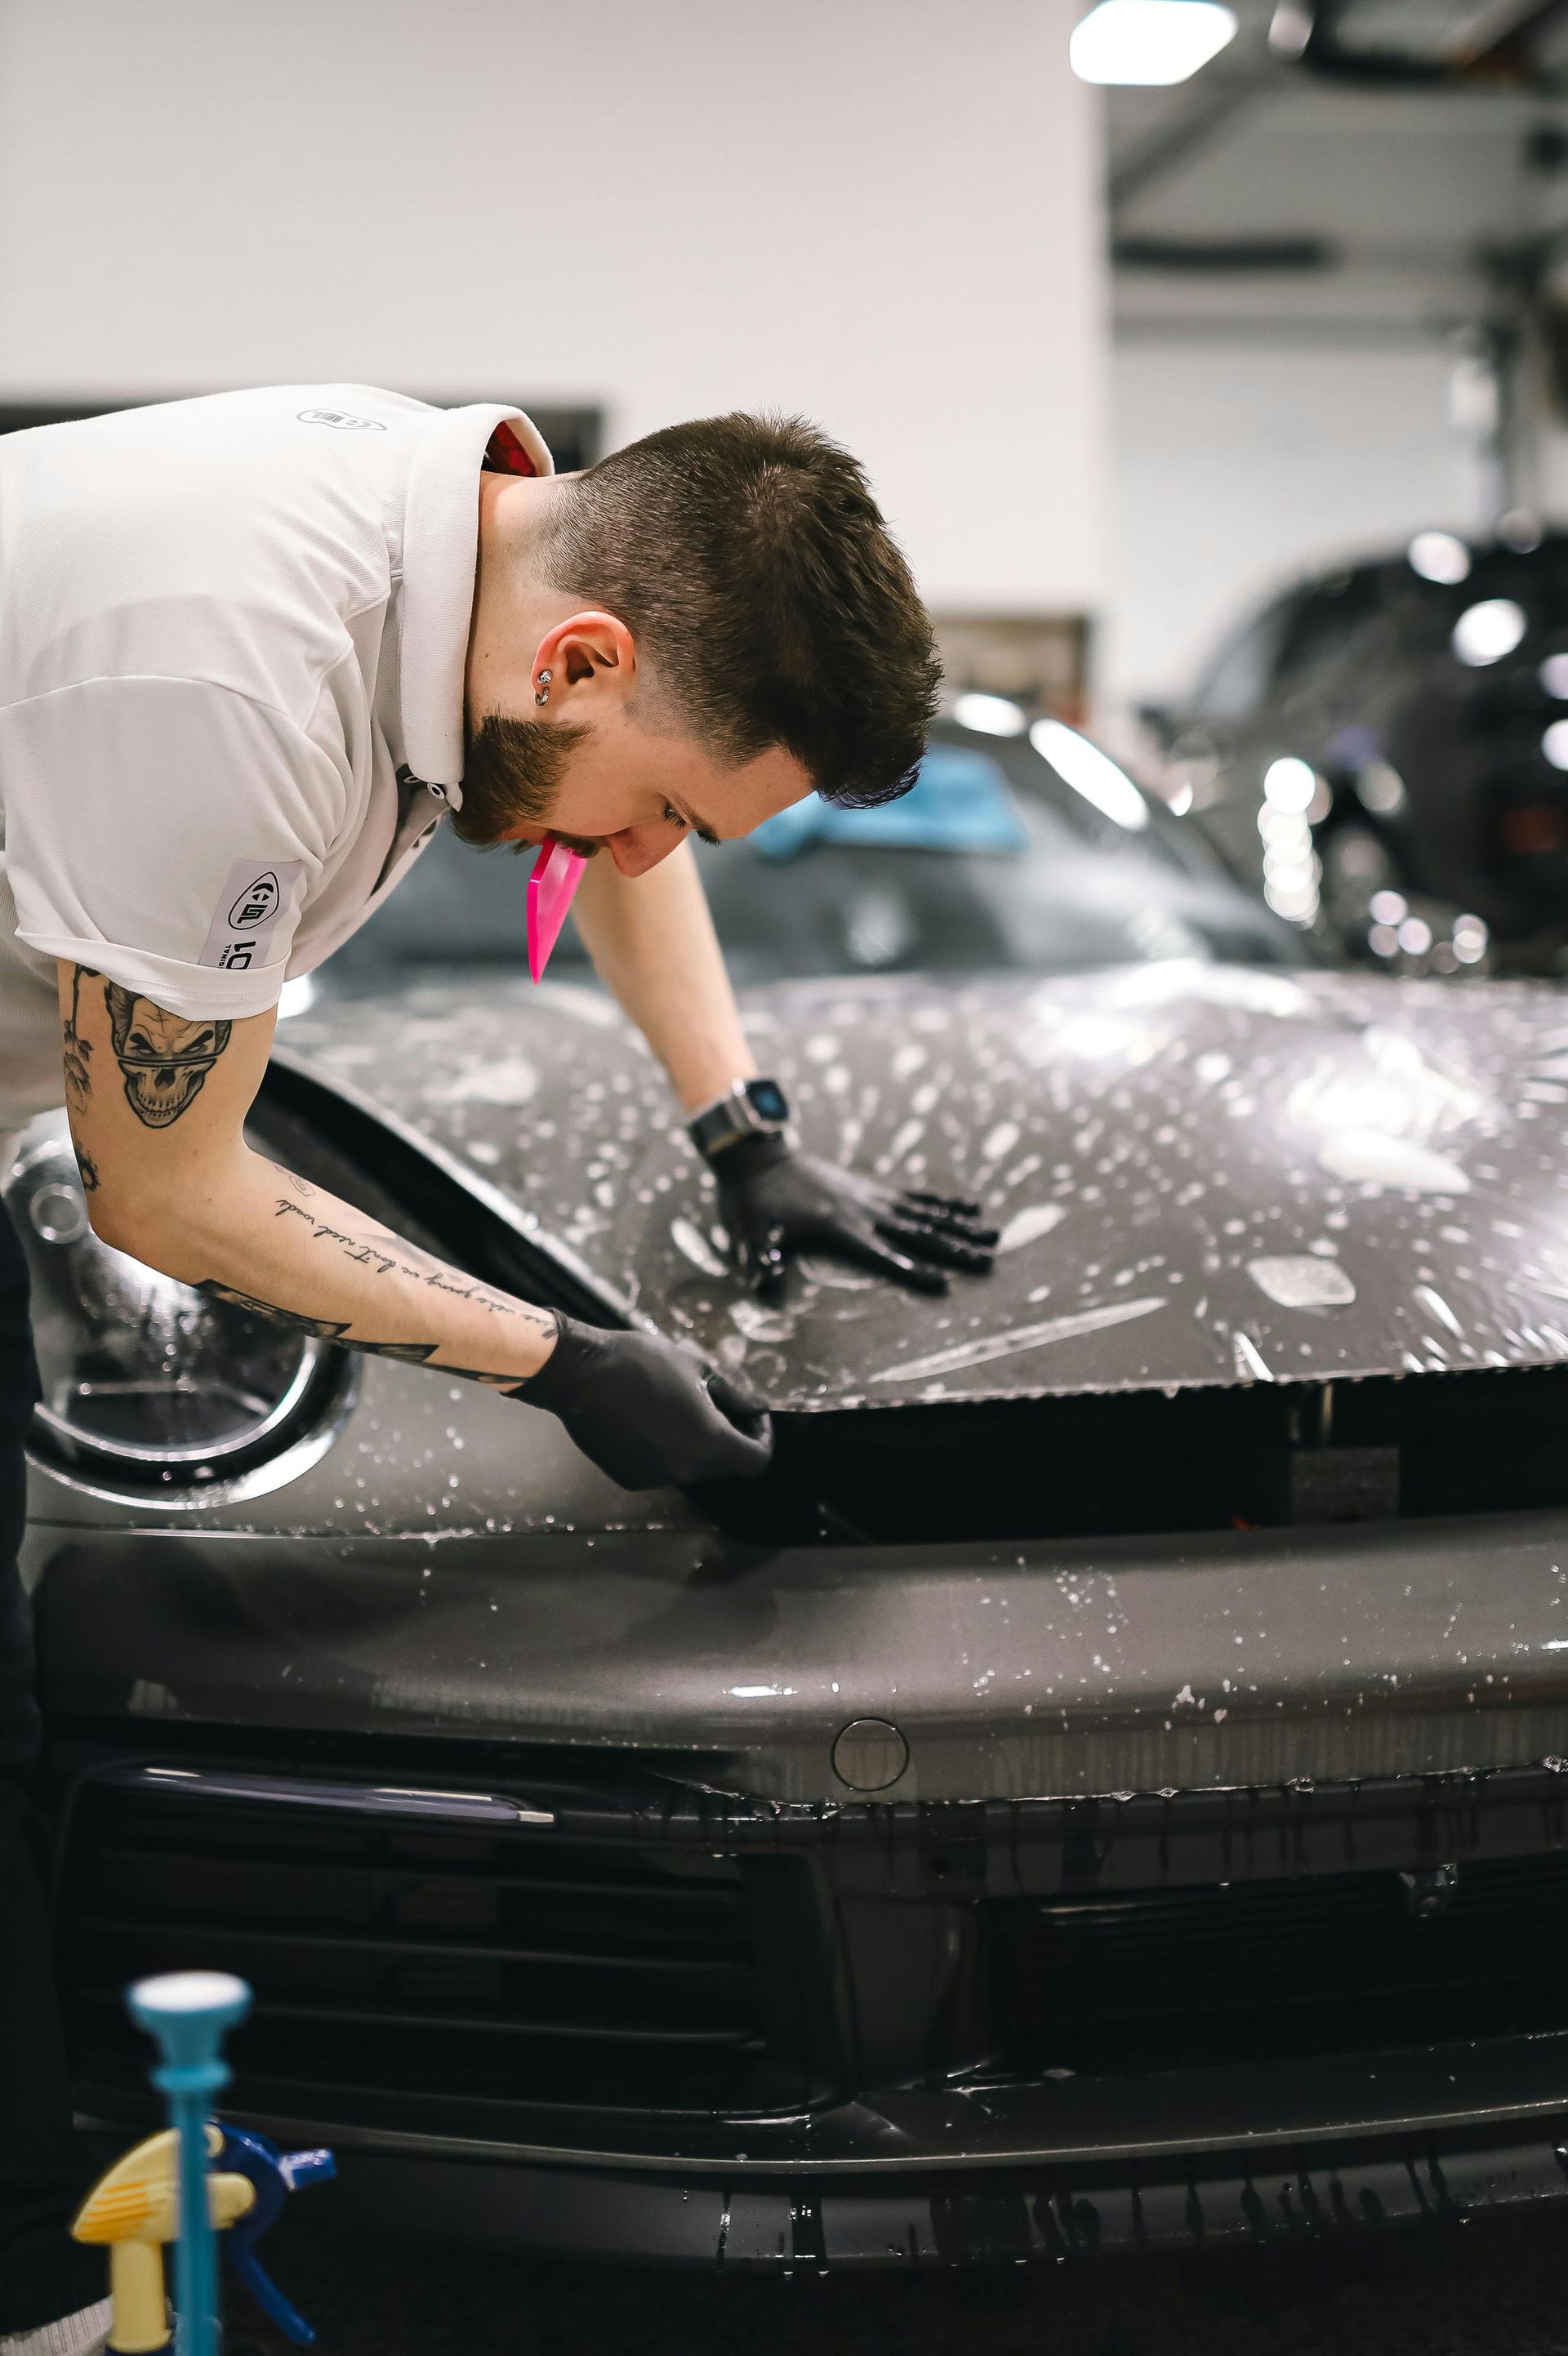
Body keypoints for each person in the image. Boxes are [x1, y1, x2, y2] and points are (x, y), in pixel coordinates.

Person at [0, 388, 997, 2351]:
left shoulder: (489, 539)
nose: (635, 848)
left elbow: (619, 826)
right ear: (582, 655)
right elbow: (168, 1193)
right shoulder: (240, 689)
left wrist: (743, 1131)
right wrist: (563, 1365)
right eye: (667, 800)